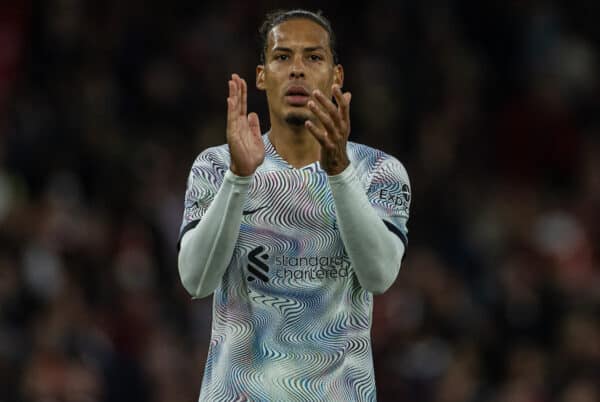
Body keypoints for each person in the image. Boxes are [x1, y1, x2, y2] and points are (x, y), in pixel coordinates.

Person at [177, 9, 411, 401]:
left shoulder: (378, 171)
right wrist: (237, 179)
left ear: (336, 76)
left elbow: (380, 275)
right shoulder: (217, 166)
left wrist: (339, 173)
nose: (297, 70)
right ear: (262, 74)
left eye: (313, 57)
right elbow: (195, 281)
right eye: (283, 57)